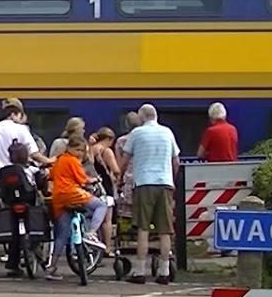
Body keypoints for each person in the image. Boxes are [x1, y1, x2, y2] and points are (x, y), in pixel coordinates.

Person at [0, 98, 54, 278]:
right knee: (19, 219)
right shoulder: (21, 130)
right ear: (15, 114)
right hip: (18, 181)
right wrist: (51, 161)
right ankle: (13, 265)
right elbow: (34, 154)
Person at [119, 103, 180, 286]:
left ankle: (139, 271)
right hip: (165, 183)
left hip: (144, 183)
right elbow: (175, 161)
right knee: (165, 230)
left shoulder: (137, 134)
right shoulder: (168, 132)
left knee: (143, 228)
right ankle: (164, 271)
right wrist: (173, 181)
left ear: (142, 117)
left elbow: (125, 160)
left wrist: (120, 178)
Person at [49, 138, 109, 256]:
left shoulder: (60, 159)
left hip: (58, 197)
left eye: (82, 150)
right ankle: (91, 233)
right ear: (69, 148)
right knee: (101, 205)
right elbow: (82, 179)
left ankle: (52, 266)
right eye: (77, 149)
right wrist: (93, 180)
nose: (80, 153)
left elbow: (52, 174)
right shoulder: (73, 161)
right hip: (72, 193)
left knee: (62, 235)